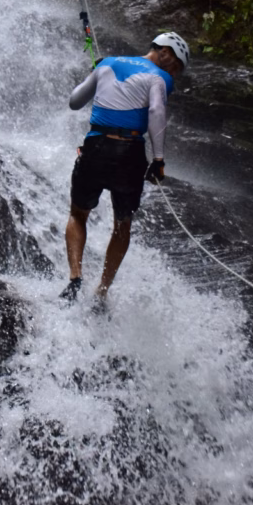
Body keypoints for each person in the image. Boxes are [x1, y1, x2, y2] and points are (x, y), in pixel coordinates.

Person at [59, 32, 190, 306]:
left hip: (96, 147)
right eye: (176, 66)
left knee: (78, 213)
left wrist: (95, 75)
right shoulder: (160, 78)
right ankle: (102, 291)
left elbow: (74, 102)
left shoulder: (106, 64)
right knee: (122, 224)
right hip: (129, 153)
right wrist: (159, 159)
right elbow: (156, 112)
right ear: (165, 52)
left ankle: (75, 277)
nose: (174, 74)